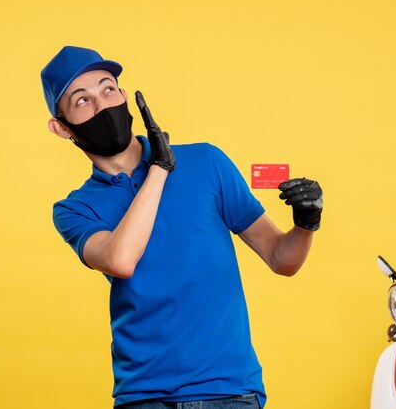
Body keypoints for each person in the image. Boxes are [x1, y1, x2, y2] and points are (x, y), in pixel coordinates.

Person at [41, 46, 323, 409]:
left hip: (229, 392)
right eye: (82, 100)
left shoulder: (207, 162)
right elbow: (121, 259)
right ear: (61, 128)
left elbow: (281, 259)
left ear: (125, 96)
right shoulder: (74, 209)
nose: (102, 106)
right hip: (144, 397)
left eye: (108, 89)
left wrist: (306, 223)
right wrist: (159, 168)